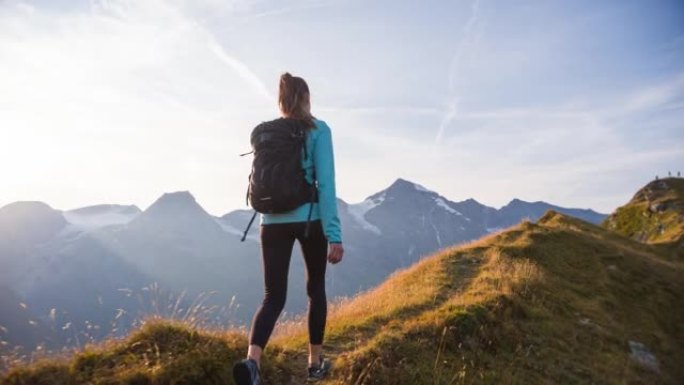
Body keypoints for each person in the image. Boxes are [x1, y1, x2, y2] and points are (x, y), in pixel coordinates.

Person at [233, 72, 344, 385]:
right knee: (315, 289)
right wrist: (334, 234)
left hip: (271, 221)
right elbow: (326, 183)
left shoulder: (266, 134)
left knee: (272, 296)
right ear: (306, 99)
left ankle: (252, 362)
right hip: (309, 219)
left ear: (281, 101)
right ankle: (314, 363)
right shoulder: (318, 130)